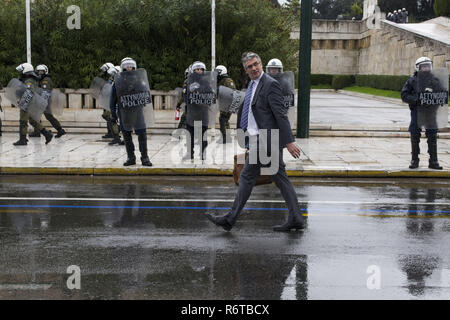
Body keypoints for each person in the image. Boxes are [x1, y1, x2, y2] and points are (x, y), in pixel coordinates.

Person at [205, 52, 305, 232]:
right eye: (249, 66)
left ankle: (230, 219)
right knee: (280, 178)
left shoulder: (270, 84)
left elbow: (281, 115)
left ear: (261, 64)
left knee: (247, 176)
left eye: (256, 64)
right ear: (246, 70)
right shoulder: (251, 85)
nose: (254, 68)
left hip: (266, 140)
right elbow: (251, 112)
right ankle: (296, 217)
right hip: (258, 139)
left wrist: (289, 141)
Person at [401, 57, 444, 170]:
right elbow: (404, 95)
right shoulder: (412, 80)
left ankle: (433, 161)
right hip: (417, 111)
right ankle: (415, 160)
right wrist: (417, 99)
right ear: (418, 67)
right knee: (415, 134)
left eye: (427, 66)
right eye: (423, 66)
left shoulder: (435, 80)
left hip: (430, 112)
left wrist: (435, 96)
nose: (426, 68)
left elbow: (442, 93)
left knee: (432, 134)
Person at [110, 57, 152, 166]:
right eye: (127, 66)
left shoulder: (139, 80)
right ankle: (131, 157)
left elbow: (145, 93)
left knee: (142, 134)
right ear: (123, 68)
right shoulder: (117, 81)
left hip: (137, 111)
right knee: (127, 135)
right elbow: (112, 99)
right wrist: (113, 113)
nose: (129, 68)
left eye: (131, 66)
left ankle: (145, 157)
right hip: (124, 113)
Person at [13, 63, 53, 146]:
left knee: (23, 121)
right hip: (31, 102)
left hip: (27, 103)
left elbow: (28, 92)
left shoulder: (29, 80)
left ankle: (22, 139)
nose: (21, 73)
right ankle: (47, 134)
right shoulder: (30, 79)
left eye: (22, 71)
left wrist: (22, 101)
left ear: (26, 70)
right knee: (33, 121)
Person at [183, 61, 214, 160]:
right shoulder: (188, 82)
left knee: (203, 135)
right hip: (191, 112)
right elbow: (184, 96)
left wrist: (200, 93)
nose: (199, 71)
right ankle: (189, 153)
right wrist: (190, 92)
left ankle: (203, 153)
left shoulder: (206, 82)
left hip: (203, 111)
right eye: (197, 69)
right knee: (189, 135)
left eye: (201, 69)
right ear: (193, 70)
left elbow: (211, 97)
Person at [29, 64, 66, 138]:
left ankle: (59, 130)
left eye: (41, 71)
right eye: (38, 71)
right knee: (40, 116)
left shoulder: (46, 80)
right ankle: (59, 130)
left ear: (45, 71)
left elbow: (45, 92)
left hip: (44, 101)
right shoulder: (41, 80)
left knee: (45, 116)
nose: (40, 73)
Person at [98, 63, 123, 144]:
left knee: (110, 118)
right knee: (109, 118)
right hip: (110, 101)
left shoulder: (119, 79)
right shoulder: (111, 78)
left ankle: (117, 134)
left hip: (115, 102)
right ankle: (114, 133)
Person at [216, 64, 236, 143]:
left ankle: (225, 138)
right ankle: (227, 138)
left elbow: (231, 91)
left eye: (217, 72)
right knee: (225, 120)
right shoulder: (223, 80)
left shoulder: (227, 80)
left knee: (223, 120)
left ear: (221, 72)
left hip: (228, 103)